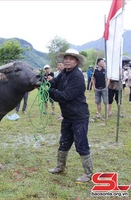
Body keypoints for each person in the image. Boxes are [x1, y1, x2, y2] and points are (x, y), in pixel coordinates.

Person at [47, 49, 92, 183]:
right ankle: (60, 167)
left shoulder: (77, 76)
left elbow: (66, 96)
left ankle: (88, 174)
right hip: (68, 116)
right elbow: (54, 82)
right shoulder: (63, 73)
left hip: (79, 116)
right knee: (64, 142)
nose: (67, 60)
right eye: (66, 58)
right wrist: (43, 82)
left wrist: (49, 91)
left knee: (81, 144)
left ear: (76, 61)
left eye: (71, 59)